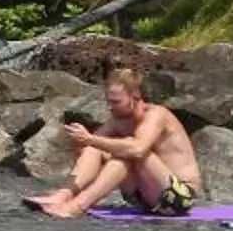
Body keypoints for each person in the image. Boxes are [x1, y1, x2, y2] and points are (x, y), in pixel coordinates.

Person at [24, 64, 203, 219]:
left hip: (179, 197)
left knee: (127, 151)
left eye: (116, 102)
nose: (110, 107)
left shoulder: (156, 115)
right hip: (145, 198)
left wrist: (90, 138)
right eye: (108, 101)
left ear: (135, 97)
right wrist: (81, 143)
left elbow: (138, 149)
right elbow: (89, 149)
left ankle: (77, 206)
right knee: (97, 147)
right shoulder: (118, 120)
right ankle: (63, 195)